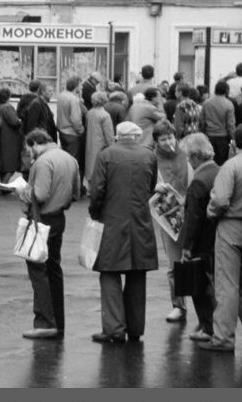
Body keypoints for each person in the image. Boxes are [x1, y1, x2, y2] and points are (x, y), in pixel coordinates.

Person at [199, 123, 242, 353]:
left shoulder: (231, 166)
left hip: (231, 226)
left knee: (227, 284)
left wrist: (211, 212)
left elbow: (219, 200)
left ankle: (223, 337)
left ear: (235, 143)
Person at [88, 121, 158, 343]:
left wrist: (94, 213)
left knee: (109, 273)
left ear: (117, 135)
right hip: (140, 221)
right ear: (137, 136)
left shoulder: (106, 155)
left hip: (112, 220)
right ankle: (135, 328)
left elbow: (97, 189)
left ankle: (114, 328)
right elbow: (150, 187)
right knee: (137, 275)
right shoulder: (149, 156)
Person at [16, 129, 80, 339]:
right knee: (53, 268)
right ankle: (57, 322)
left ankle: (45, 321)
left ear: (35, 143)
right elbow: (76, 193)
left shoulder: (42, 162)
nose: (29, 153)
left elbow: (39, 194)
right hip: (59, 217)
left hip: (42, 219)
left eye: (29, 148)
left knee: (38, 268)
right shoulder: (70, 159)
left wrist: (23, 192)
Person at [180, 133, 221, 342]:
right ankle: (212, 326)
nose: (188, 161)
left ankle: (208, 326)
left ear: (195, 156)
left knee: (200, 286)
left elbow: (193, 218)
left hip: (202, 241)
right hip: (218, 237)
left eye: (188, 157)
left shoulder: (198, 181)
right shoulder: (220, 172)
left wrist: (187, 246)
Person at [152, 120, 192, 323]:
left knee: (195, 260)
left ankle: (202, 306)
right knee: (174, 262)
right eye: (163, 139)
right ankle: (178, 304)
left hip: (190, 211)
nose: (168, 142)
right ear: (156, 142)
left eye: (170, 137)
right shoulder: (152, 159)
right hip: (168, 214)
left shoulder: (187, 154)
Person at [200, 81, 236, 166]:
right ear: (227, 90)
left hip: (209, 135)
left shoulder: (206, 103)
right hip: (223, 137)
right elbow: (230, 124)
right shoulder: (229, 104)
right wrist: (233, 138)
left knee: (209, 160)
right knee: (222, 162)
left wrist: (203, 132)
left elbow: (202, 120)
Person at [84, 92, 115, 187]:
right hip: (101, 144)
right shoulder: (105, 115)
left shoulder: (89, 113)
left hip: (90, 142)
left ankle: (90, 186)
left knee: (90, 164)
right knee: (99, 166)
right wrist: (113, 146)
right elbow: (109, 134)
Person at [56, 77, 85, 177]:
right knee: (73, 162)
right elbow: (75, 119)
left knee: (65, 160)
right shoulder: (73, 99)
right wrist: (81, 130)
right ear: (76, 87)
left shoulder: (61, 95)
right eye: (80, 86)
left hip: (62, 131)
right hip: (72, 133)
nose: (82, 87)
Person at [0, 87, 23, 186]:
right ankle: (4, 184)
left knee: (3, 163)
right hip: (10, 138)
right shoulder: (7, 107)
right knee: (12, 163)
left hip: (0, 137)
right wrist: (20, 121)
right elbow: (14, 122)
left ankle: (4, 184)